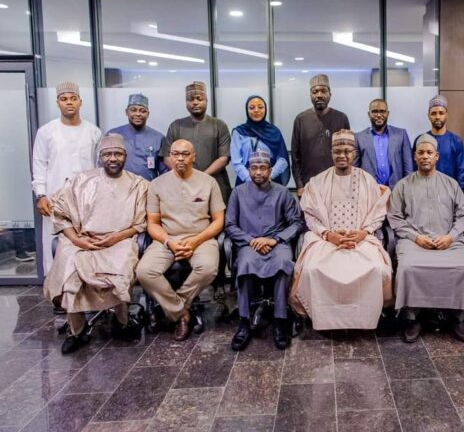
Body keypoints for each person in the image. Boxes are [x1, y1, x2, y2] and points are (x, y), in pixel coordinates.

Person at [44, 134, 148, 354]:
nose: (113, 158)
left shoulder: (138, 184)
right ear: (100, 157)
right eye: (107, 154)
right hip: (81, 239)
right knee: (70, 274)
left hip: (119, 240)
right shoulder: (81, 181)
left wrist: (115, 238)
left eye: (117, 154)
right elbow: (61, 213)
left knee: (120, 271)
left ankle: (122, 323)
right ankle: (77, 332)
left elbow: (141, 223)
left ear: (125, 156)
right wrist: (75, 238)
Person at [290, 130, 392, 330]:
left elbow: (378, 212)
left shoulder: (367, 180)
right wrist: (329, 235)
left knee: (377, 269)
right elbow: (310, 216)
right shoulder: (318, 182)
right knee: (311, 269)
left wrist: (364, 232)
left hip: (360, 241)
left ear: (354, 153)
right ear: (331, 153)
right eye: (337, 151)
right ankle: (326, 320)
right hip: (326, 241)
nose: (342, 156)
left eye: (347, 151)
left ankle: (362, 320)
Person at [388, 134, 464, 343]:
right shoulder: (403, 185)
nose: (425, 157)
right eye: (421, 153)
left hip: (448, 242)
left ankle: (457, 318)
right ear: (414, 157)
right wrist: (415, 237)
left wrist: (451, 236)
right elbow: (394, 217)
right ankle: (412, 318)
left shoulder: (451, 184)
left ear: (437, 156)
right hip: (414, 242)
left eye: (429, 153)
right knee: (408, 268)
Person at [136, 139, 226, 341]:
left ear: (194, 157)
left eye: (185, 154)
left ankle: (169, 308)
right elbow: (152, 223)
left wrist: (195, 241)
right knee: (144, 271)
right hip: (167, 239)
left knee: (208, 267)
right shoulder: (157, 185)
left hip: (201, 238)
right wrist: (169, 242)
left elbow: (219, 221)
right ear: (170, 156)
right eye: (175, 154)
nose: (180, 158)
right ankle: (182, 313)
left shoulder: (208, 182)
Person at [225, 149, 303, 351]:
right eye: (254, 168)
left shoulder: (283, 192)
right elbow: (230, 225)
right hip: (248, 244)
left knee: (283, 263)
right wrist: (251, 240)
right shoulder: (238, 193)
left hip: (277, 244)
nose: (258, 172)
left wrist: (275, 239)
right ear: (248, 170)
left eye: (262, 168)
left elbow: (295, 223)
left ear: (270, 170)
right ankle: (244, 322)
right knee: (245, 264)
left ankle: (280, 321)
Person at [32, 81, 102, 275]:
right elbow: (39, 165)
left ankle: (86, 285)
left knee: (84, 240)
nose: (69, 103)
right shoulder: (46, 132)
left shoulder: (93, 132)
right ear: (58, 103)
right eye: (64, 99)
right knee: (54, 242)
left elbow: (99, 168)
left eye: (73, 99)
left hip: (86, 199)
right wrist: (40, 195)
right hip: (54, 198)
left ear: (81, 102)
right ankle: (57, 292)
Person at [160, 82, 232, 202]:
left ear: (206, 100)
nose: (195, 102)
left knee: (217, 217)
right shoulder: (176, 126)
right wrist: (185, 175)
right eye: (190, 99)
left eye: (199, 99)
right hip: (181, 183)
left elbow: (224, 158)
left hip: (214, 182)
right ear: (186, 102)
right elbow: (167, 156)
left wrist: (200, 177)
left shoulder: (219, 125)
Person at [291, 74, 350, 195]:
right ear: (310, 95)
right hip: (308, 185)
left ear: (330, 94)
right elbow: (295, 156)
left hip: (337, 184)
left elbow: (349, 152)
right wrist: (299, 185)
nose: (319, 95)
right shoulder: (301, 119)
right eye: (315, 91)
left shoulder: (341, 118)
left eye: (323, 91)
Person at [231, 95, 290, 186]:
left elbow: (282, 159)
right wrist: (250, 178)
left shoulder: (274, 132)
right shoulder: (239, 132)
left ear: (265, 109)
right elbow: (236, 162)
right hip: (246, 183)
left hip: (271, 182)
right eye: (251, 107)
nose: (256, 110)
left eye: (260, 107)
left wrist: (269, 176)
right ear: (247, 110)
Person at [354, 98, 413, 189]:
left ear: (388, 114)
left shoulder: (401, 134)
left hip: (396, 189)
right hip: (370, 190)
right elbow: (355, 169)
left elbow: (408, 166)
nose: (378, 115)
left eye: (382, 111)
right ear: (369, 114)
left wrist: (407, 189)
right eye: (374, 111)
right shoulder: (359, 137)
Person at [107, 93, 166, 181]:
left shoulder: (158, 138)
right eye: (133, 110)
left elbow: (164, 171)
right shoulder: (112, 135)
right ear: (126, 112)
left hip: (148, 188)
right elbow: (103, 164)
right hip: (119, 188)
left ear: (148, 114)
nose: (138, 114)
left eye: (143, 111)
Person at [416, 95, 464, 192]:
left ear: (446, 115)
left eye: (441, 113)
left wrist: (459, 195)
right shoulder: (420, 140)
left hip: (449, 192)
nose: (437, 117)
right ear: (428, 115)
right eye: (434, 113)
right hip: (423, 191)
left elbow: (462, 172)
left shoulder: (455, 141)